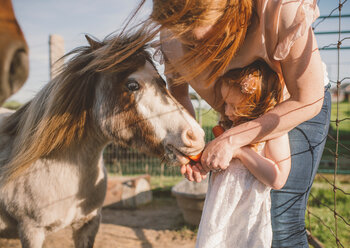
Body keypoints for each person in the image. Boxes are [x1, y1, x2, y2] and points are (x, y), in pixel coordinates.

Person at [102, 0, 332, 246]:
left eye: (204, 41)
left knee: (280, 221)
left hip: (292, 108)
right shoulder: (172, 33)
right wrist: (189, 145)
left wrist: (233, 141)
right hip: (236, 117)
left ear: (228, 11)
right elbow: (179, 92)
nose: (201, 55)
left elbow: (307, 100)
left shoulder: (280, 9)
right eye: (189, 45)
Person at [196, 60, 291, 247]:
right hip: (217, 217)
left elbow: (278, 179)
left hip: (248, 222)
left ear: (256, 103)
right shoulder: (227, 128)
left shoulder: (271, 132)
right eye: (225, 104)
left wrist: (240, 151)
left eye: (234, 105)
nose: (227, 111)